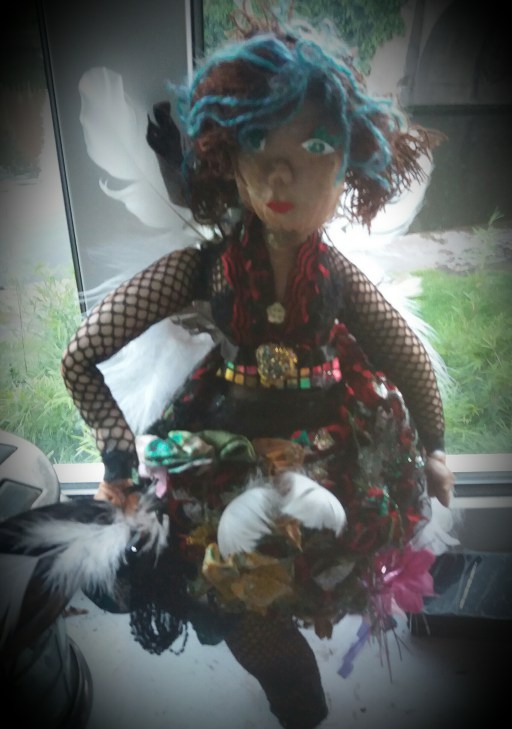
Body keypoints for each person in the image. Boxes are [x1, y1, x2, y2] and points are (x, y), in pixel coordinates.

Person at [59, 10, 455, 728]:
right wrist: (117, 458)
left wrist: (433, 447)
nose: (280, 172)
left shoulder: (337, 277)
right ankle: (297, 698)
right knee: (242, 609)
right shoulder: (202, 269)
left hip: (337, 455)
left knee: (315, 571)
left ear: (350, 164)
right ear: (221, 154)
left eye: (316, 145)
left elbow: (406, 355)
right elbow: (80, 356)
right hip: (220, 457)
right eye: (256, 141)